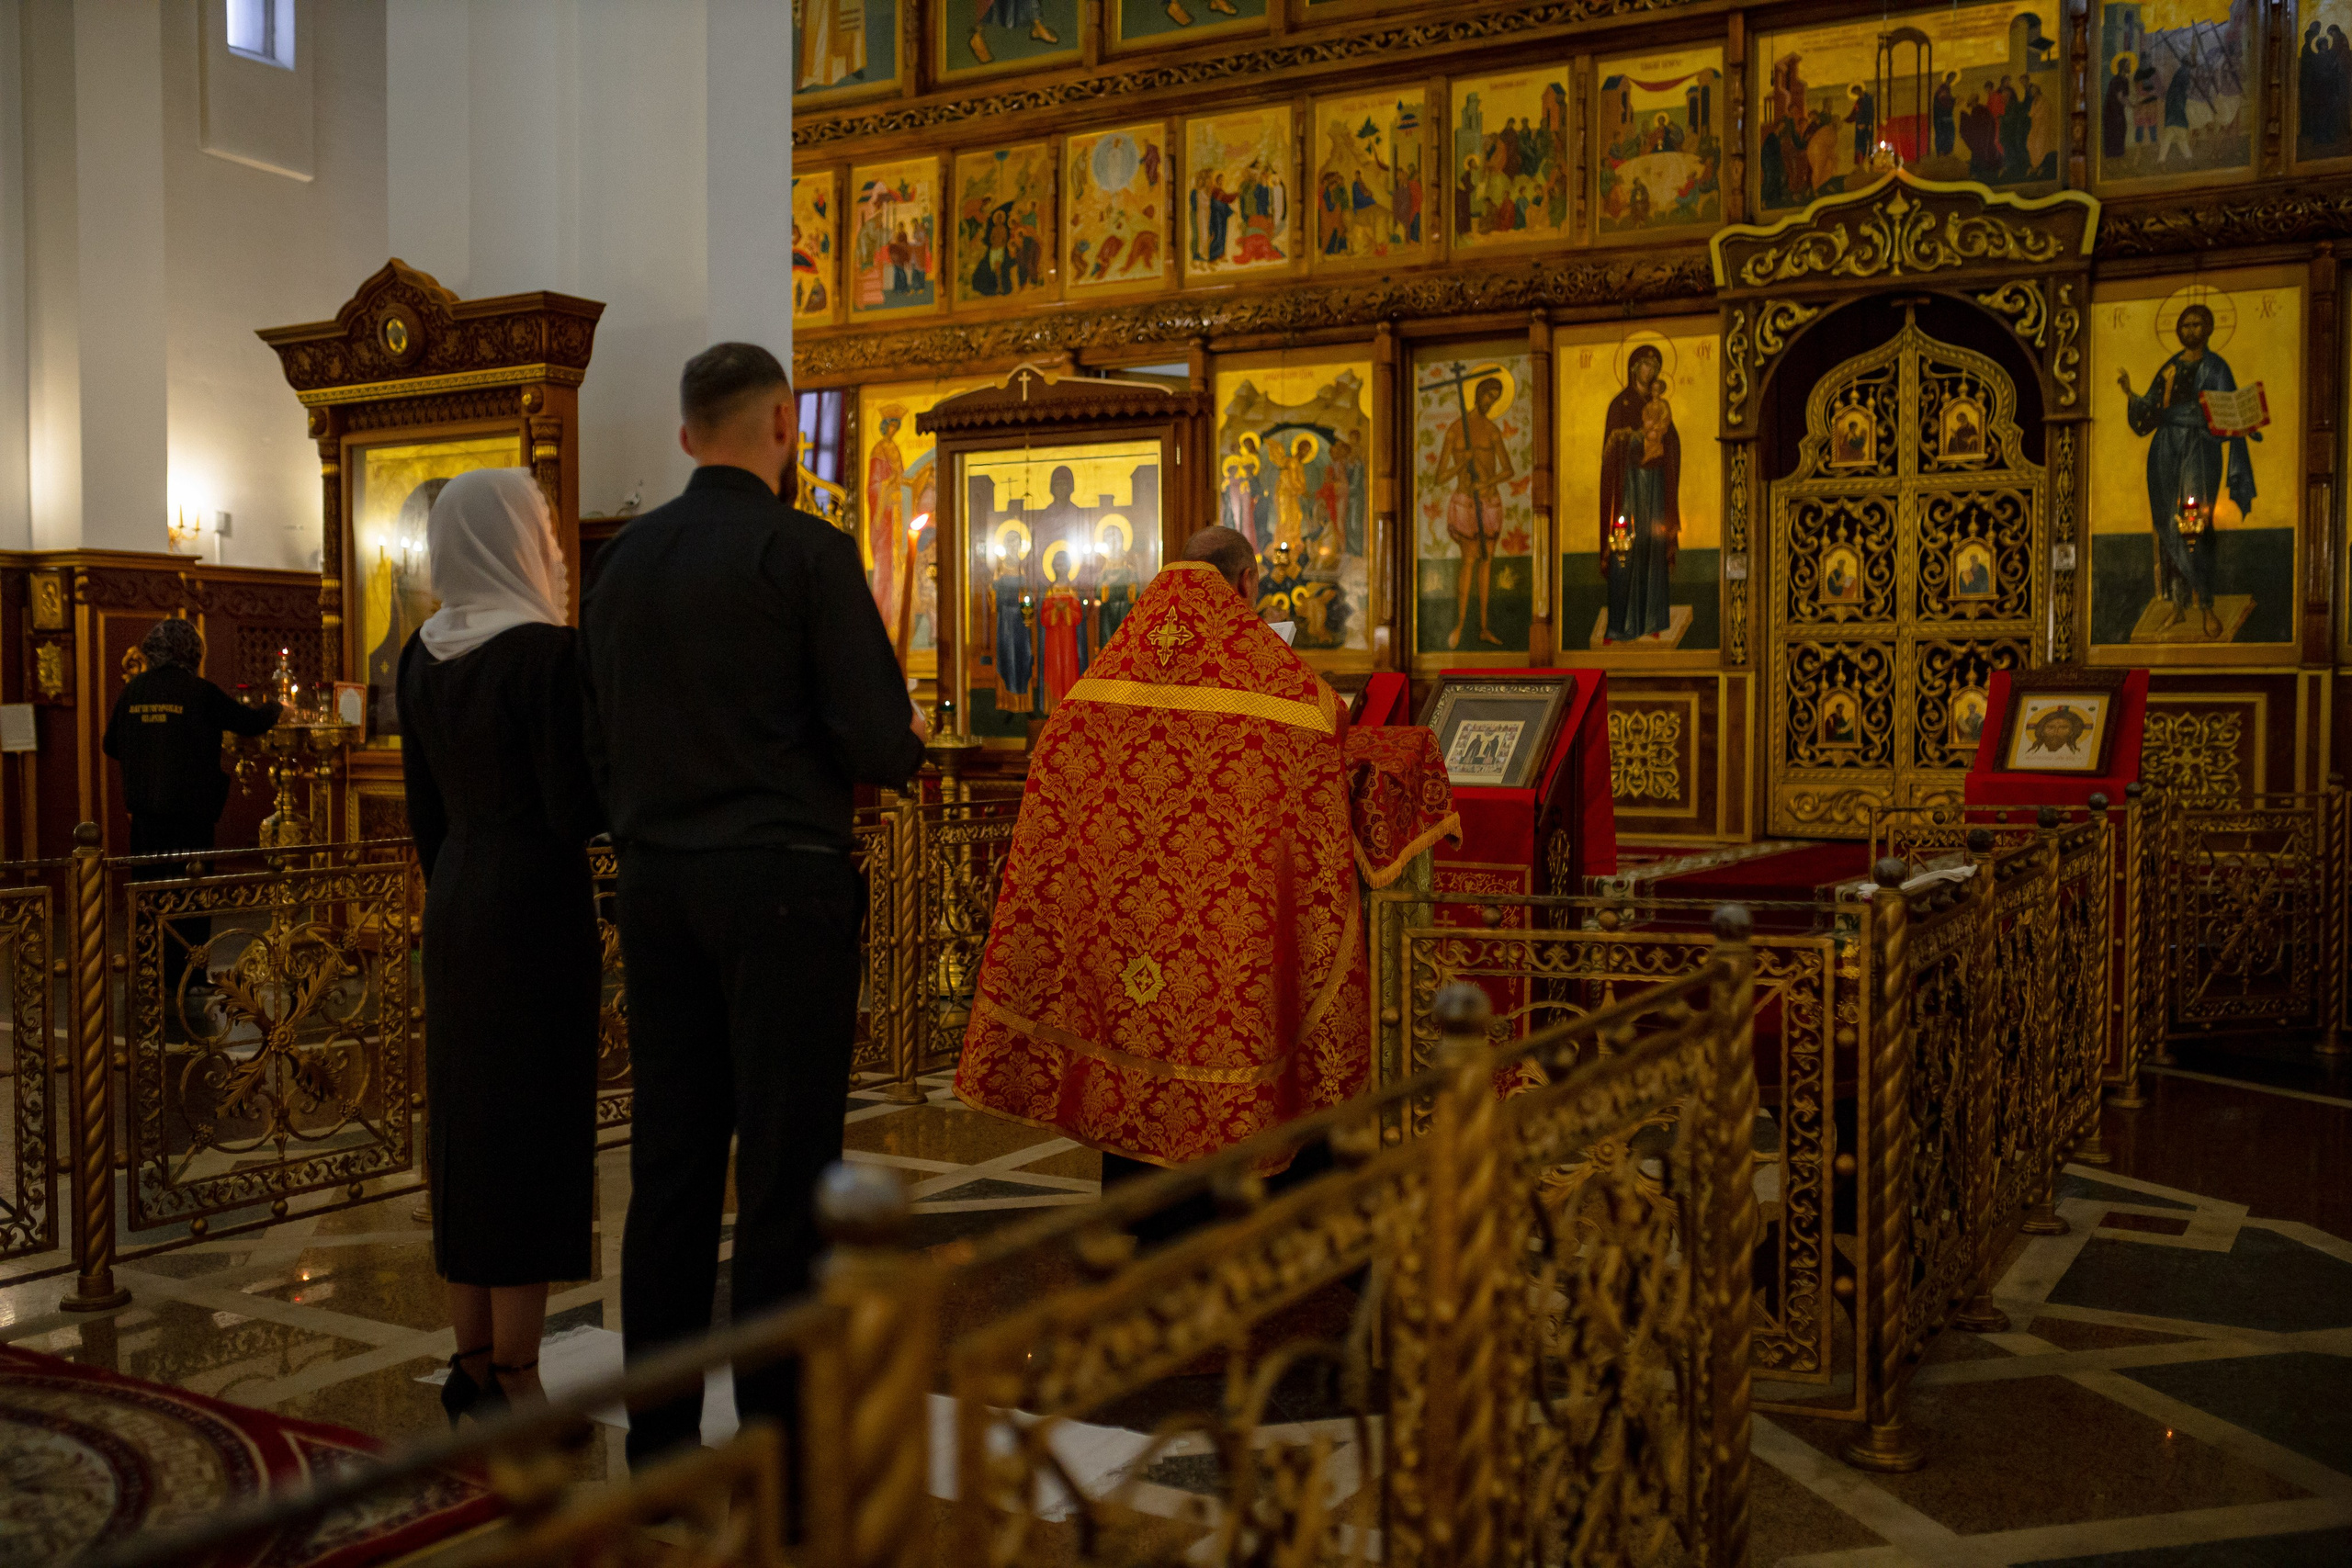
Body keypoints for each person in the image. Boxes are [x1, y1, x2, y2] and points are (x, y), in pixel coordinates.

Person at [580, 343, 928, 1475]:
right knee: (785, 1167)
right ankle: (777, 1432)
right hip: (782, 883)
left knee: (673, 1166)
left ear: (686, 436)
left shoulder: (624, 565)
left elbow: (598, 741)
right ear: (783, 422)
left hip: (656, 887)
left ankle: (664, 1440)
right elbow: (880, 740)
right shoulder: (806, 552)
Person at [955, 526, 1365, 1242]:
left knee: (1132, 1053)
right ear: (1242, 585)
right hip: (1224, 956)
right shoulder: (1274, 687)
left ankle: (1140, 1219)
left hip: (1129, 946)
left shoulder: (1099, 682)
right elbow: (1335, 734)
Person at [396, 468, 602, 1424]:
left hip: (458, 901)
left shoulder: (420, 652)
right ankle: (518, 1380)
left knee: (467, 1133)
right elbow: (571, 807)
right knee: (533, 1137)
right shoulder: (546, 655)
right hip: (535, 904)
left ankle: (470, 1363)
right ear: (520, 539)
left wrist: (460, 883)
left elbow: (423, 812)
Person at [103, 617, 283, 1002]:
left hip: (146, 816)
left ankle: (149, 972)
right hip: (191, 815)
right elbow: (247, 723)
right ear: (192, 652)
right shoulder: (199, 692)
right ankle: (189, 975)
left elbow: (110, 744)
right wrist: (276, 707)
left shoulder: (133, 691)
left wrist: (147, 750)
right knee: (192, 895)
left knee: (148, 894)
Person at [2118, 303, 2256, 639]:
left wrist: (2243, 421)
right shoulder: (2169, 368)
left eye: (2197, 325)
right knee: (2166, 522)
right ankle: (2178, 606)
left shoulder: (2217, 368)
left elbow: (2229, 411)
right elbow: (2150, 410)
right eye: (2185, 325)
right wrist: (2131, 395)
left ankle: (2205, 605)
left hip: (2198, 447)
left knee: (2193, 521)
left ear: (2207, 330)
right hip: (2166, 447)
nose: (2190, 330)